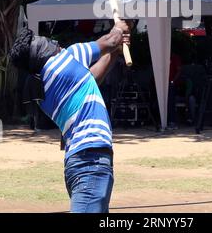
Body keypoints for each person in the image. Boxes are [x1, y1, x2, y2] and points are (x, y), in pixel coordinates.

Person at [9, 21, 130, 213]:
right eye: (50, 42)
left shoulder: (45, 86)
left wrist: (115, 51)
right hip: (91, 162)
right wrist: (119, 28)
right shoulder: (67, 57)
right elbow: (109, 40)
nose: (56, 43)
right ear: (42, 51)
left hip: (82, 162)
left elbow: (90, 78)